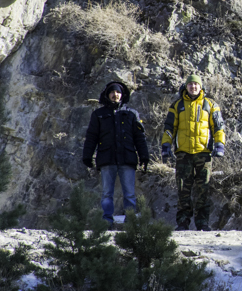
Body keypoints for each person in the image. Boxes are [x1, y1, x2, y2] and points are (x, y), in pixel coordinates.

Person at [160, 74, 225, 231]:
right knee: (183, 190)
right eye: (190, 84)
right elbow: (169, 128)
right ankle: (183, 222)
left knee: (204, 189)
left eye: (196, 84)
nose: (193, 87)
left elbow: (218, 127)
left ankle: (203, 223)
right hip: (183, 154)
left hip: (204, 154)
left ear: (201, 87)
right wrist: (166, 146)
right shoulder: (176, 105)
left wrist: (219, 145)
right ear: (186, 86)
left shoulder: (210, 105)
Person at [82, 81, 149, 227]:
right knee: (107, 194)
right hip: (107, 159)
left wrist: (144, 155)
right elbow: (92, 136)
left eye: (118, 92)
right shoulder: (98, 115)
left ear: (122, 95)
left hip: (127, 158)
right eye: (112, 92)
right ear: (107, 95)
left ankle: (130, 221)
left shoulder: (132, 114)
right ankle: (107, 221)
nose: (115, 95)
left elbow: (139, 137)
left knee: (130, 194)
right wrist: (87, 155)